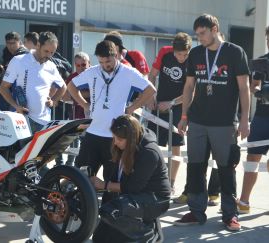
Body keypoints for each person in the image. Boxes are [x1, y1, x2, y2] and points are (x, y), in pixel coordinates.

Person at [174, 14, 250, 231]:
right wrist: (184, 116)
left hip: (224, 123)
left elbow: (244, 88)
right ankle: (196, 211)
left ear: (214, 28)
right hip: (198, 120)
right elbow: (189, 87)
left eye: (203, 33)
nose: (199, 39)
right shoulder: (197, 53)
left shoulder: (235, 52)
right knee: (196, 167)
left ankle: (230, 214)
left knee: (226, 168)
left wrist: (244, 119)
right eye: (197, 34)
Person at [68, 40, 156, 202]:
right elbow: (71, 86)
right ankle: (82, 211)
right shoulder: (93, 71)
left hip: (115, 138)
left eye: (107, 61)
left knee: (112, 182)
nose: (104, 65)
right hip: (93, 134)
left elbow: (150, 89)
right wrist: (85, 104)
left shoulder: (128, 72)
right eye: (101, 62)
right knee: (82, 177)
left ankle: (111, 215)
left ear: (115, 56)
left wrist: (131, 109)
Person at [91, 114, 170, 243]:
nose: (115, 142)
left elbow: (132, 187)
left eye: (119, 139)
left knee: (114, 210)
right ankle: (144, 225)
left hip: (155, 199)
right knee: (100, 238)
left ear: (131, 138)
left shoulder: (149, 152)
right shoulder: (125, 146)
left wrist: (103, 185)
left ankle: (148, 234)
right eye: (114, 137)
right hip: (136, 195)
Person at [147, 32, 192, 196]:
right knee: (153, 144)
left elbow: (191, 91)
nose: (182, 58)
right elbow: (152, 75)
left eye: (185, 54)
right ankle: (154, 180)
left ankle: (171, 184)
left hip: (179, 107)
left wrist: (172, 103)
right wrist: (151, 96)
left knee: (176, 147)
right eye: (179, 54)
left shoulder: (192, 59)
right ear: (173, 50)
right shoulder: (164, 52)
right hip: (158, 105)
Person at [0, 31, 66, 133]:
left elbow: (63, 87)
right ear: (38, 45)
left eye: (52, 52)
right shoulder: (19, 60)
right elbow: (3, 87)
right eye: (46, 51)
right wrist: (16, 106)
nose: (49, 55)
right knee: (22, 149)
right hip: (22, 121)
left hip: (44, 122)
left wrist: (54, 100)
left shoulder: (51, 66)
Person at [237, 26, 269, 214]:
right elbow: (253, 87)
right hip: (262, 118)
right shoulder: (261, 62)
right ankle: (244, 202)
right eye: (268, 38)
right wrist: (261, 92)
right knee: (252, 158)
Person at [61, 52, 91, 166]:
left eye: (83, 65)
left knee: (86, 146)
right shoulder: (72, 77)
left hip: (91, 119)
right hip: (75, 116)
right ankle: (69, 166)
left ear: (89, 64)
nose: (81, 68)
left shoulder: (94, 75)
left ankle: (82, 168)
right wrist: (82, 94)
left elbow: (96, 92)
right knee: (73, 143)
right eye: (78, 65)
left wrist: (76, 94)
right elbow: (64, 95)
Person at [0, 31, 28, 111]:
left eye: (13, 43)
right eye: (8, 43)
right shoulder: (6, 52)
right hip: (7, 88)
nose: (11, 46)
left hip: (19, 90)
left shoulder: (24, 55)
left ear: (19, 42)